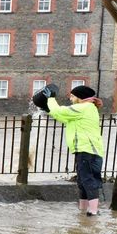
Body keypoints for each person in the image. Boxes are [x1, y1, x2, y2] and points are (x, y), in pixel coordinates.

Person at [39, 83, 105, 216]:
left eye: (73, 96)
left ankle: (92, 211)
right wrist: (49, 109)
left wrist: (51, 99)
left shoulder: (84, 107)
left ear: (80, 97)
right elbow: (62, 117)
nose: (70, 98)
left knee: (87, 179)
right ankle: (83, 209)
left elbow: (61, 111)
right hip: (85, 150)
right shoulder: (84, 109)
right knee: (82, 180)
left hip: (88, 150)